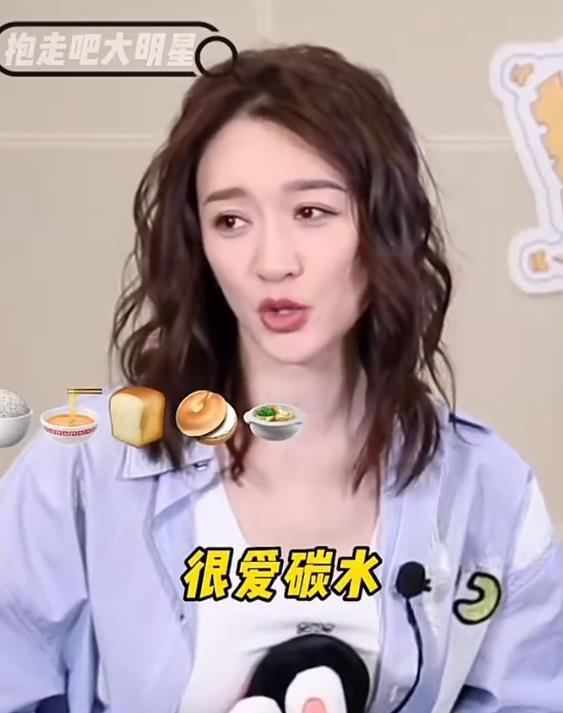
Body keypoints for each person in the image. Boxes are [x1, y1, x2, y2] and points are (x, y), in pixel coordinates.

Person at [0, 42, 562, 713]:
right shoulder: (84, 468)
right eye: (230, 220)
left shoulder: (487, 489)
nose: (271, 261)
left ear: (384, 223)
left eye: (311, 212)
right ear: (198, 244)